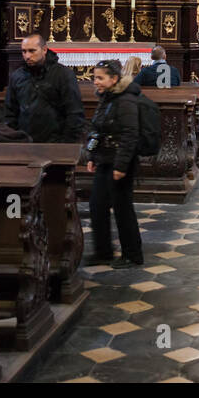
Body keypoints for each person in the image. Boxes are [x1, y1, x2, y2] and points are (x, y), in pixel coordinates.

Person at [84, 59, 144, 267]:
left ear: (114, 79)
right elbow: (98, 129)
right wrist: (92, 156)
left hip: (120, 162)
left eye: (100, 78)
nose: (96, 82)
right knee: (97, 205)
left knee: (122, 208)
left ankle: (132, 254)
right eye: (95, 78)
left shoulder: (126, 100)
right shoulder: (107, 97)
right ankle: (103, 251)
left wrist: (121, 166)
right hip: (105, 159)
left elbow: (130, 134)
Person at [4, 34, 85, 143]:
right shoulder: (17, 76)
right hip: (24, 142)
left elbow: (74, 112)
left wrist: (66, 143)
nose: (27, 56)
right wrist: (15, 138)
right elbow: (10, 112)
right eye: (24, 51)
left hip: (56, 143)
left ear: (44, 50)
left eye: (32, 51)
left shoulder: (63, 75)